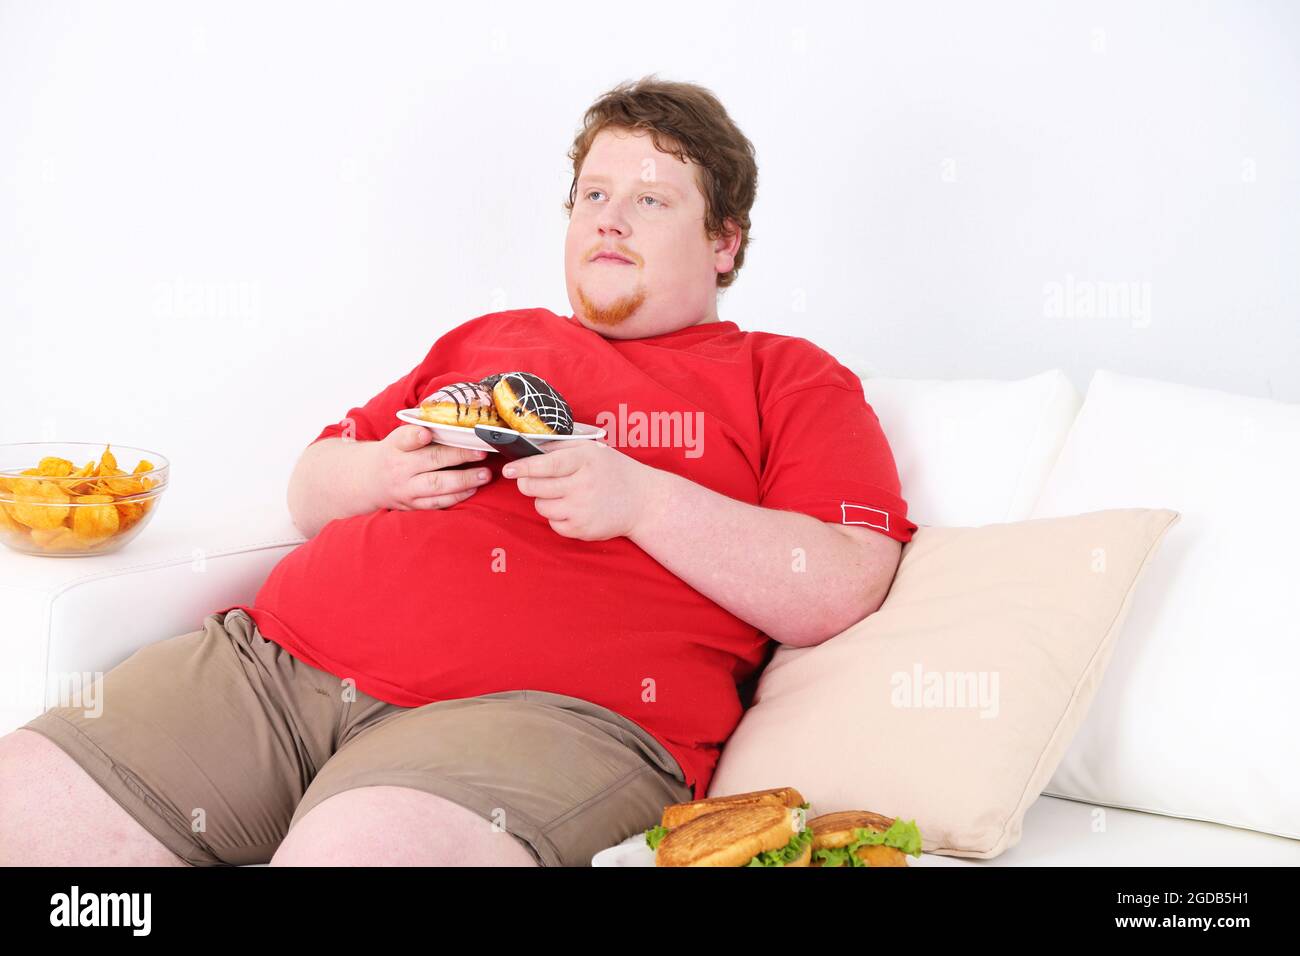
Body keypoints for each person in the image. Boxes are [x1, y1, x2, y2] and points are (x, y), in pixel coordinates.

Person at [0, 75, 916, 867]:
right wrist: (379, 476)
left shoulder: (786, 375)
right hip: (274, 669)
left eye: (649, 199)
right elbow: (311, 484)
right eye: (591, 195)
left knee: (351, 856)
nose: (608, 217)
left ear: (724, 241)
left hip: (542, 721)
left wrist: (641, 498)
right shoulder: (491, 340)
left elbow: (840, 583)